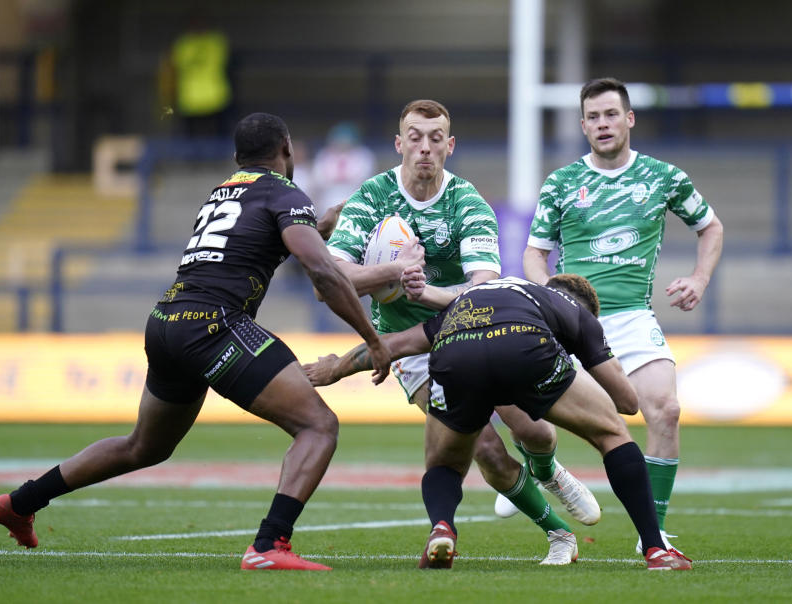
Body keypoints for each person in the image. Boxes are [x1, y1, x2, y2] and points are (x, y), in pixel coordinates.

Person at [0, 112, 392, 572]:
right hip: (215, 324)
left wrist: (318, 228)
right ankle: (268, 545)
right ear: (287, 149)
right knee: (318, 426)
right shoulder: (285, 193)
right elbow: (321, 271)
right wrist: (372, 338)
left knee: (145, 447)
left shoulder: (222, 191)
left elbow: (254, 243)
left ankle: (18, 503)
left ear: (239, 156)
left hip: (166, 321)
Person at [323, 99, 600, 565]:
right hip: (412, 348)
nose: (425, 149)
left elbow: (484, 290)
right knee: (486, 449)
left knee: (535, 433)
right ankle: (559, 535)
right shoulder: (371, 197)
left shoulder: (468, 203)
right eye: (415, 138)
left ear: (449, 146)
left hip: (476, 330)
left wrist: (422, 287)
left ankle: (548, 471)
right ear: (399, 144)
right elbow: (332, 273)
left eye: (435, 139)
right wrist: (394, 268)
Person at [304, 274, 692, 571]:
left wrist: (335, 368)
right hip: (525, 347)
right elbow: (626, 403)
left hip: (455, 352)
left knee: (444, 464)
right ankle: (656, 547)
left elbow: (393, 345)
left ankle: (442, 527)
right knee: (611, 434)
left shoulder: (477, 298)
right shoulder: (576, 313)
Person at [523, 77, 724, 556]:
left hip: (633, 317)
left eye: (611, 114)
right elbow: (535, 254)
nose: (602, 124)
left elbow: (710, 226)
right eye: (593, 117)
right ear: (583, 125)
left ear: (629, 119)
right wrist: (550, 296)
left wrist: (699, 279)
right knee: (535, 421)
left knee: (666, 410)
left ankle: (652, 532)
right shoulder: (562, 183)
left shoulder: (663, 177)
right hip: (572, 321)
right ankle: (541, 466)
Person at [310, 121, 377, 215]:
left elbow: (364, 179)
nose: (342, 144)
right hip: (328, 200)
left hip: (355, 200)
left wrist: (342, 177)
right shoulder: (324, 155)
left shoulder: (363, 155)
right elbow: (318, 178)